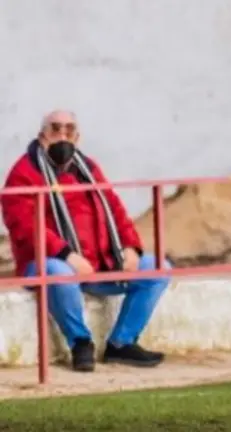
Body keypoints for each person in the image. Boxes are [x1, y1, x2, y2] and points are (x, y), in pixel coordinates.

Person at [1, 110, 170, 372]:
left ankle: (122, 343)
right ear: (42, 135)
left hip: (99, 262)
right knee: (58, 270)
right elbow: (25, 227)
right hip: (49, 263)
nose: (62, 135)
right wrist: (67, 254)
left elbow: (114, 208)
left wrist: (130, 247)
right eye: (55, 129)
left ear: (77, 137)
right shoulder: (23, 173)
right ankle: (80, 343)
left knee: (159, 268)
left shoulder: (88, 169)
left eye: (69, 129)